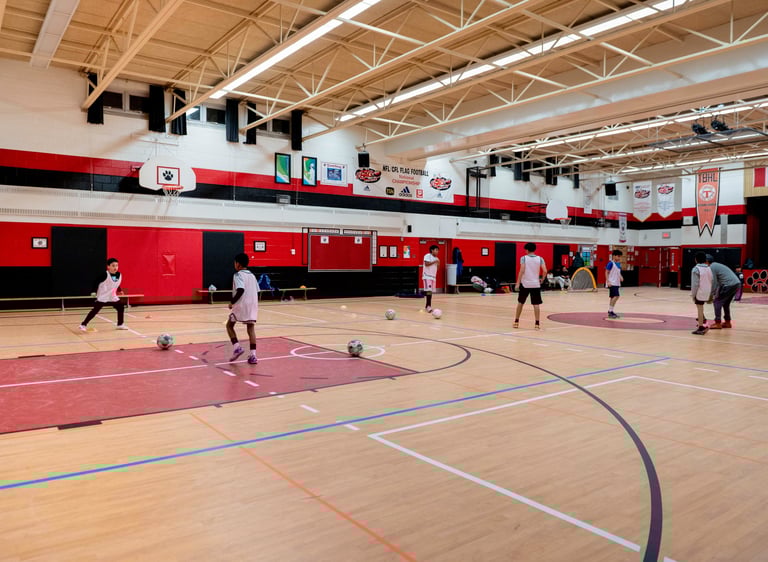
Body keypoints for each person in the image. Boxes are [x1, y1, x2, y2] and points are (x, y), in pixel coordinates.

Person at [227, 253, 259, 364]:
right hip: (253, 305)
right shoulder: (252, 276)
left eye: (235, 262)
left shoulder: (238, 275)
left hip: (242, 305)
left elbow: (240, 290)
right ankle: (253, 356)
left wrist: (232, 302)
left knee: (229, 325)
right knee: (251, 329)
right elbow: (257, 291)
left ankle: (237, 347)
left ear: (238, 264)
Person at [79, 257, 126, 331]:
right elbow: (96, 282)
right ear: (108, 266)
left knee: (121, 307)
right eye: (113, 265)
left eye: (116, 265)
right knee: (95, 311)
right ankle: (83, 324)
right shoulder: (104, 275)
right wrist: (93, 291)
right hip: (103, 296)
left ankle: (120, 324)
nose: (115, 267)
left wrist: (119, 290)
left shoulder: (118, 275)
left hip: (112, 295)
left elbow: (115, 283)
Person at [514, 242, 547, 329]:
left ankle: (516, 321)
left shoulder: (524, 258)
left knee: (520, 303)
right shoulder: (540, 259)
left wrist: (517, 283)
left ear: (527, 250)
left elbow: (521, 270)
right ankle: (537, 324)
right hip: (536, 284)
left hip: (525, 284)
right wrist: (542, 279)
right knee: (536, 304)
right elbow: (545, 270)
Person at [706, 255, 740, 329]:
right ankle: (727, 322)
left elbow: (714, 282)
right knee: (725, 303)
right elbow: (718, 282)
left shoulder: (711, 267)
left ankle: (717, 323)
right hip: (736, 284)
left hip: (729, 285)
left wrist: (711, 294)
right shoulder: (716, 265)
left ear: (707, 261)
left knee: (717, 302)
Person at [690, 252, 713, 335]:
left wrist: (693, 294)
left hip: (700, 291)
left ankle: (701, 326)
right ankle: (702, 322)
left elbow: (695, 284)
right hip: (708, 291)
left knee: (700, 308)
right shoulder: (709, 268)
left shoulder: (696, 269)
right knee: (700, 308)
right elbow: (711, 280)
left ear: (696, 260)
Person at [606, 249, 624, 319]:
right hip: (612, 282)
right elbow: (606, 272)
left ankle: (611, 311)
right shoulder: (610, 263)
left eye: (620, 256)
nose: (619, 258)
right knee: (616, 296)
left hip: (617, 283)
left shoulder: (619, 264)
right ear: (614, 256)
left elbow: (618, 272)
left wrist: (621, 277)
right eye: (618, 256)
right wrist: (608, 281)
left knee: (612, 297)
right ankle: (610, 311)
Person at [423, 245, 440, 312]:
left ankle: (427, 305)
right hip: (427, 276)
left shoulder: (437, 259)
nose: (437, 251)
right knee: (429, 291)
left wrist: (438, 263)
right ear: (432, 250)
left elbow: (437, 269)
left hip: (433, 277)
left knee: (430, 292)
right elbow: (426, 264)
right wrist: (434, 261)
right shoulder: (427, 256)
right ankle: (428, 306)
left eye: (438, 250)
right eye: (436, 250)